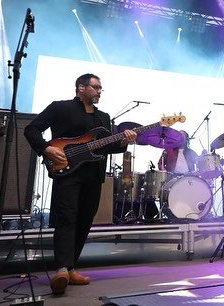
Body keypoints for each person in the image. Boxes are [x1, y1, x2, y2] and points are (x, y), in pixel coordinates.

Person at [24, 73, 137, 295]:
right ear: (81, 88)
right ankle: (62, 269)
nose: (99, 91)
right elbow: (31, 129)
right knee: (67, 217)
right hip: (67, 173)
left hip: (92, 176)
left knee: (84, 220)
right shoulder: (60, 108)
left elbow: (103, 147)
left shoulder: (103, 118)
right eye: (95, 87)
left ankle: (71, 267)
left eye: (101, 88)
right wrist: (46, 148)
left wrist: (123, 142)